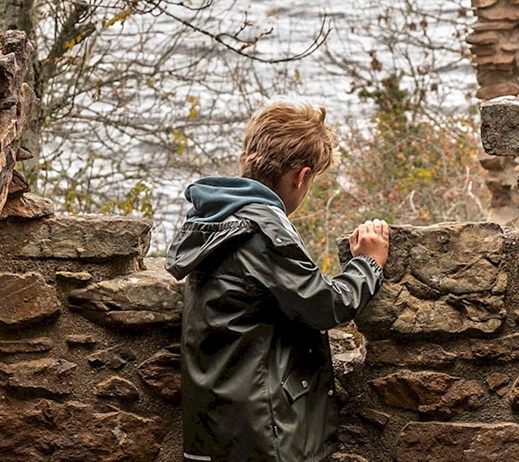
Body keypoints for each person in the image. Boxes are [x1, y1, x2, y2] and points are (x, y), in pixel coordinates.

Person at [165, 101, 390, 462]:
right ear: (301, 176)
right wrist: (368, 262)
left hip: (218, 423)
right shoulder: (263, 231)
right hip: (260, 433)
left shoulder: (217, 217)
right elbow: (323, 305)